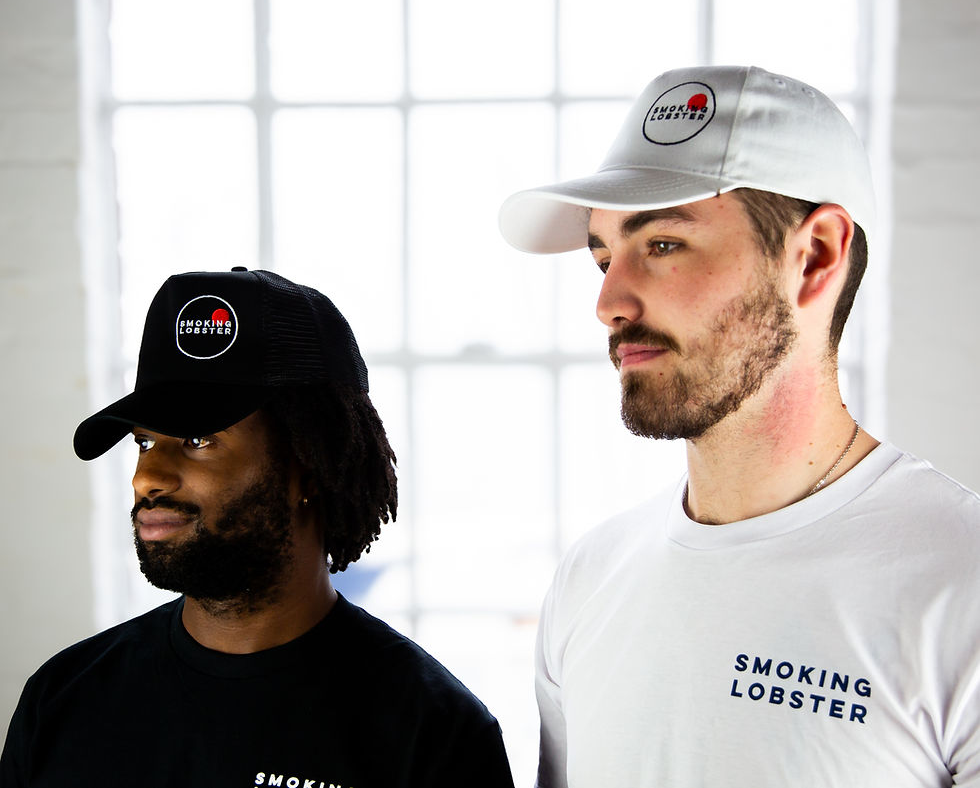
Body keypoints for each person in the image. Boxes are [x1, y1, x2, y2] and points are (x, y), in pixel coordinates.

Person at [498, 65, 980, 786]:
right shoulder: (591, 577)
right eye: (603, 257)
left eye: (662, 245)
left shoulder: (962, 584)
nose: (609, 302)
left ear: (815, 257)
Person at [1, 267, 516, 788]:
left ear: (309, 464)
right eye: (144, 442)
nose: (146, 478)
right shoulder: (62, 699)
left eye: (198, 440)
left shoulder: (432, 733)